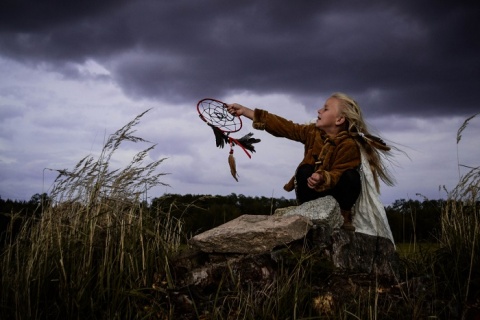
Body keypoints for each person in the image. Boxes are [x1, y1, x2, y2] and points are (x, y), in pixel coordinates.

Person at [227, 92, 395, 232]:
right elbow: (285, 127)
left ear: (339, 120)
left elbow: (339, 171)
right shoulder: (311, 133)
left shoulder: (349, 144)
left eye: (326, 108)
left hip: (336, 194)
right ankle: (307, 214)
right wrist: (246, 111)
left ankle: (343, 216)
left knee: (351, 177)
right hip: (312, 193)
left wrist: (323, 177)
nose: (319, 110)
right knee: (304, 170)